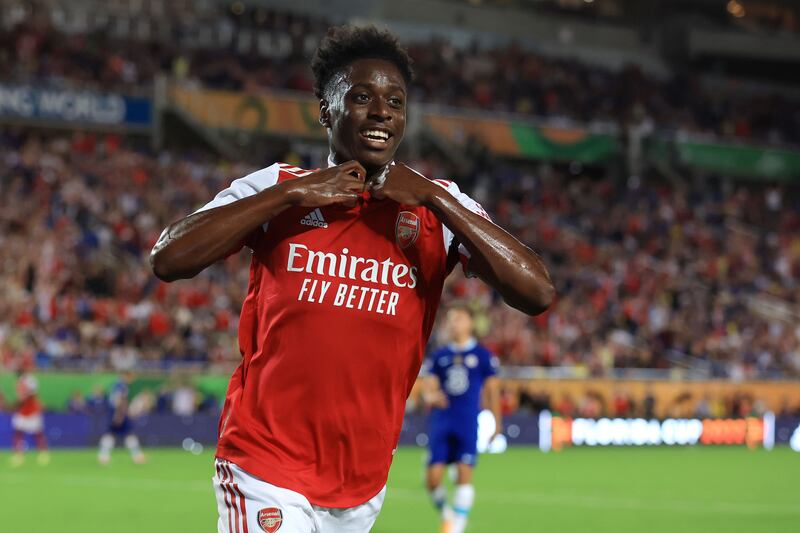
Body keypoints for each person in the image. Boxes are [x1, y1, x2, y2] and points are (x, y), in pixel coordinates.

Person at [150, 25, 553, 533]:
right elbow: (168, 257)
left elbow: (538, 292)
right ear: (325, 110)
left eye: (395, 101)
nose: (382, 111)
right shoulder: (279, 187)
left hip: (361, 485)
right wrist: (292, 197)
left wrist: (439, 200)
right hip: (265, 464)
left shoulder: (437, 205)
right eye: (361, 97)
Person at [421, 304, 502, 533]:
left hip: (467, 422)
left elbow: (492, 391)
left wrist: (497, 422)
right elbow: (429, 388)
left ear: (470, 323)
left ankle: (457, 527)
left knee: (465, 474)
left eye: (458, 318)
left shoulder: (482, 356)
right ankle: (447, 514)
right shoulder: (440, 356)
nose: (453, 323)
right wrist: (432, 395)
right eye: (450, 319)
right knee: (433, 479)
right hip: (441, 421)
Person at [97, 372, 146, 465]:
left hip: (114, 412)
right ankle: (137, 456)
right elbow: (119, 400)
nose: (132, 380)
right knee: (126, 434)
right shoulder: (122, 386)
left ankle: (103, 455)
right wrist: (120, 414)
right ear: (127, 376)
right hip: (119, 413)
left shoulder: (115, 385)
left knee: (113, 434)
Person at [10, 370, 49, 467]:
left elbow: (28, 396)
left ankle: (43, 454)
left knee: (37, 434)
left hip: (32, 412)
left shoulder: (30, 381)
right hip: (23, 413)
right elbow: (21, 398)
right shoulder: (19, 383)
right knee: (18, 433)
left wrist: (17, 403)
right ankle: (19, 455)